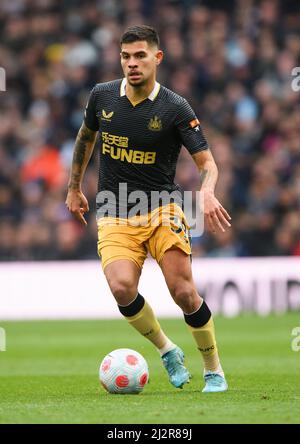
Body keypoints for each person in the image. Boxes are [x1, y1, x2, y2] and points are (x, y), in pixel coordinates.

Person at [66, 25, 231, 393]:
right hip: (114, 208)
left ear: (158, 58)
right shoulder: (102, 96)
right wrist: (74, 186)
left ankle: (213, 370)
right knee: (122, 288)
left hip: (162, 207)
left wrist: (207, 190)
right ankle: (167, 349)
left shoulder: (175, 107)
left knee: (184, 292)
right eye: (125, 56)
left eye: (140, 55)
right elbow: (85, 138)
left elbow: (207, 162)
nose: (132, 63)